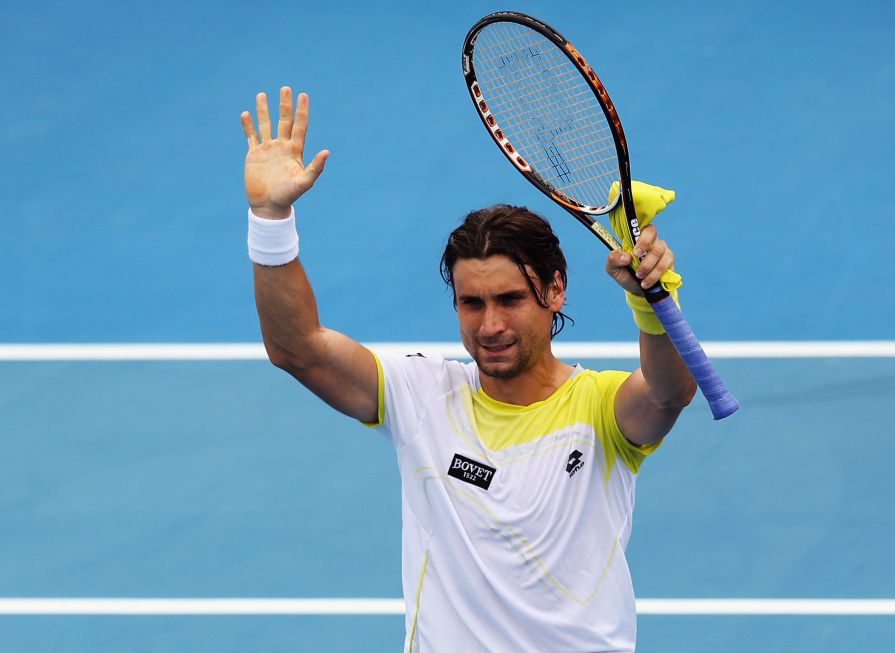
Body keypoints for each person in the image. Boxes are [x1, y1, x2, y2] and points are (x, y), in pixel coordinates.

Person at [241, 86, 697, 653]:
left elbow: (668, 392)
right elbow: (297, 348)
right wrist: (270, 217)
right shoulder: (420, 394)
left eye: (509, 299)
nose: (489, 326)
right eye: (471, 303)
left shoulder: (600, 409)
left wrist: (653, 302)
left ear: (554, 290)